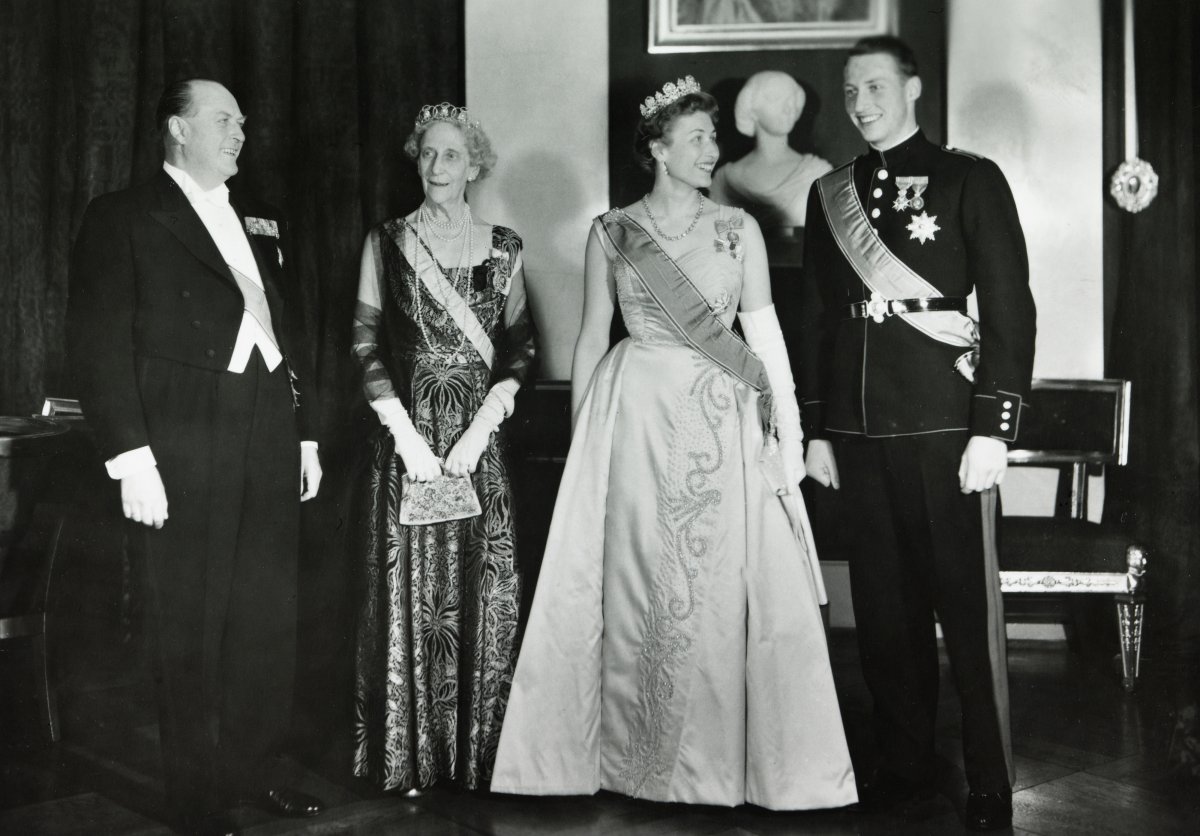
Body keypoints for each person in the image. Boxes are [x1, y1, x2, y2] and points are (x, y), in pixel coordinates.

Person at [490, 76, 857, 810]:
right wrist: (581, 451)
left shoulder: (738, 229)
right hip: (632, 418)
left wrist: (789, 437)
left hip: (721, 418)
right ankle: (629, 758)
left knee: (717, 585)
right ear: (657, 150)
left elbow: (767, 341)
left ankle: (713, 764)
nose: (711, 152)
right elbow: (594, 337)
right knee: (630, 583)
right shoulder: (611, 231)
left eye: (712, 139)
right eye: (696, 140)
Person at [66, 79, 325, 833]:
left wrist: (305, 432)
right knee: (189, 617)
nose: (240, 131)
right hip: (182, 437)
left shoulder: (260, 217)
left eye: (243, 120)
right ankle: (196, 791)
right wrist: (130, 457)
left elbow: (290, 325)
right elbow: (98, 344)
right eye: (223, 120)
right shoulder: (122, 216)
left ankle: (255, 767)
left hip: (269, 428)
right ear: (178, 130)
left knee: (264, 615)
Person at [797, 36, 1037, 831]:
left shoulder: (970, 177)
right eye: (849, 89)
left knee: (966, 612)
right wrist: (820, 431)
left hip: (945, 425)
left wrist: (993, 428)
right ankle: (903, 769)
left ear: (914, 89)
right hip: (861, 429)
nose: (860, 102)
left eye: (875, 86)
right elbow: (822, 322)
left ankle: (990, 778)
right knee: (888, 616)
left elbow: (1010, 309)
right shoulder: (829, 193)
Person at [350, 103, 536, 794]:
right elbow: (364, 341)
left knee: (479, 590)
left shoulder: (505, 245)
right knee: (410, 593)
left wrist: (486, 421)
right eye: (427, 153)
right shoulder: (387, 240)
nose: (436, 166)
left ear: (475, 164)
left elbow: (522, 345)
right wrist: (402, 432)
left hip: (475, 448)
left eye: (451, 155)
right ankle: (411, 760)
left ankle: (479, 758)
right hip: (408, 447)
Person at [708, 70, 831, 233]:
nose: (789, 108)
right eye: (775, 98)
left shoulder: (818, 173)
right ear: (751, 108)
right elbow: (719, 242)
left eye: (792, 99)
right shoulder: (725, 180)